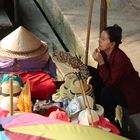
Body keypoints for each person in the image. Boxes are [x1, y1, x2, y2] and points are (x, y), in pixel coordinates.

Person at [89, 24, 140, 126]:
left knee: (106, 92)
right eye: (100, 38)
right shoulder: (103, 53)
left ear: (112, 44)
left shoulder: (120, 58)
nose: (99, 40)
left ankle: (108, 122)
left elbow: (110, 83)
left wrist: (101, 63)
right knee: (90, 75)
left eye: (103, 39)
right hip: (114, 84)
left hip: (128, 93)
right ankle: (96, 110)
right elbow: (101, 75)